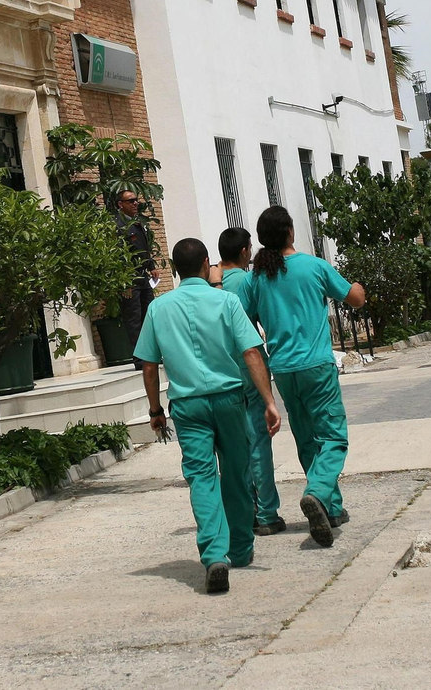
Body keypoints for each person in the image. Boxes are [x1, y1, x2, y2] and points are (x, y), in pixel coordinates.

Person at [136, 237, 281, 594]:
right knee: (236, 471)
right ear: (206, 263)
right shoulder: (227, 301)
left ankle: (214, 554)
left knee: (201, 478)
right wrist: (269, 400)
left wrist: (155, 409)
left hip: (188, 405)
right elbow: (250, 352)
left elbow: (150, 365)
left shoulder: (158, 308)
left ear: (174, 269)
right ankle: (241, 549)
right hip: (230, 399)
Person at [243, 205, 365, 548]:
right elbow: (355, 298)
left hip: (282, 369)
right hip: (316, 365)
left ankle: (331, 507)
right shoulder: (314, 266)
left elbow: (246, 321)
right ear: (291, 232)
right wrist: (357, 284)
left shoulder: (258, 278)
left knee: (308, 440)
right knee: (334, 437)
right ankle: (316, 492)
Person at [217, 226, 285, 536]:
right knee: (258, 442)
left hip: (222, 371)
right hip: (250, 368)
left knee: (234, 447)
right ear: (245, 251)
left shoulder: (211, 285)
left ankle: (245, 510)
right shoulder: (249, 280)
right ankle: (267, 513)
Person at [115, 189, 156, 369]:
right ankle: (140, 359)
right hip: (129, 279)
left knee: (150, 316)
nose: (135, 203)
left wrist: (152, 266)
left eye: (136, 200)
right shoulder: (117, 226)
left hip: (143, 277)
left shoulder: (138, 223)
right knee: (134, 319)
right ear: (120, 204)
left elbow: (143, 247)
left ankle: (152, 354)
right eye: (130, 201)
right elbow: (116, 256)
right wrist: (123, 283)